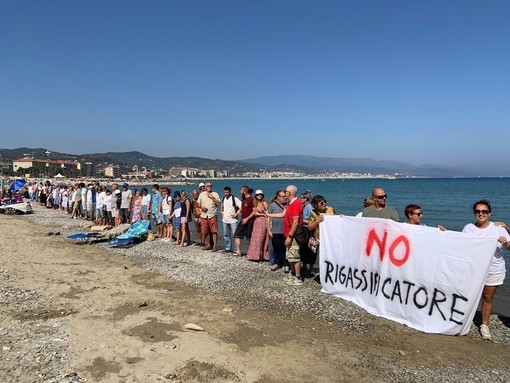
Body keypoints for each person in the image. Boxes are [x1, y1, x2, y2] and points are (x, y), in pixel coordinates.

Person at [462, 200, 510, 341]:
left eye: (484, 211)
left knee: (487, 298)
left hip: (494, 269)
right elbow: (460, 244)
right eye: (478, 211)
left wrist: (506, 244)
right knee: (469, 294)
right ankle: (462, 319)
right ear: (474, 213)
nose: (481, 214)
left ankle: (484, 325)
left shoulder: (498, 228)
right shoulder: (469, 228)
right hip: (474, 268)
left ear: (489, 213)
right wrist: (445, 234)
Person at [307, 195, 336, 264]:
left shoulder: (330, 210)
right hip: (318, 238)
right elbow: (310, 227)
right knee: (319, 257)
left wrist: (341, 218)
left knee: (330, 256)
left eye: (324, 202)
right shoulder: (313, 213)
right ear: (315, 205)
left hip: (330, 237)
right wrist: (317, 221)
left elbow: (336, 221)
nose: (324, 204)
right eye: (321, 203)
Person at [267, 190, 288, 271]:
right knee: (276, 248)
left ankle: (286, 264)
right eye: (283, 196)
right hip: (275, 230)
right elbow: (268, 218)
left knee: (285, 248)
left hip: (285, 231)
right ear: (278, 197)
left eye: (285, 196)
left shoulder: (287, 205)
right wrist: (269, 230)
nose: (285, 198)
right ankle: (277, 263)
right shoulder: (272, 206)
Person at [247, 190, 269, 261]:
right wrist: (261, 214)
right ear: (256, 196)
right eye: (258, 194)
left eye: (261, 194)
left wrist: (261, 214)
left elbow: (267, 213)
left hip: (263, 221)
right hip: (257, 222)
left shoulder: (264, 203)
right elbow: (254, 213)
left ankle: (263, 256)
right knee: (256, 238)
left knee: (263, 238)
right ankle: (255, 256)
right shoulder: (255, 203)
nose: (260, 196)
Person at [197, 182, 220, 252]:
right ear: (205, 187)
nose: (209, 187)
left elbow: (218, 204)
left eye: (210, 186)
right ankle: (209, 245)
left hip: (212, 215)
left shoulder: (215, 194)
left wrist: (212, 197)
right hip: (204, 216)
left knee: (214, 231)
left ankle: (215, 246)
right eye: (208, 186)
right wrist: (201, 207)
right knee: (205, 231)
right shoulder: (201, 194)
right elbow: (198, 204)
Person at [233, 186, 254, 256]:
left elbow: (254, 212)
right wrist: (236, 213)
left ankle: (250, 253)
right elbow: (241, 209)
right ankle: (238, 251)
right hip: (243, 220)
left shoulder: (252, 199)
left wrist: (247, 219)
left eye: (241, 190)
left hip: (250, 221)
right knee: (236, 235)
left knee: (249, 238)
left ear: (244, 191)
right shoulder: (243, 199)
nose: (240, 192)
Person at [221, 186, 241, 253]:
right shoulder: (223, 199)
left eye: (227, 192)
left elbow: (242, 206)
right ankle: (227, 248)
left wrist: (236, 213)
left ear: (230, 192)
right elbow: (222, 207)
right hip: (225, 220)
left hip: (233, 220)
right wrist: (222, 212)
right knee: (226, 235)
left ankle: (236, 249)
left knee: (235, 235)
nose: (225, 193)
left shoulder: (234, 199)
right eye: (224, 192)